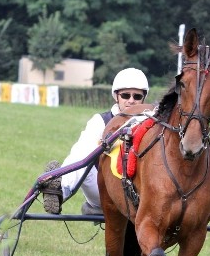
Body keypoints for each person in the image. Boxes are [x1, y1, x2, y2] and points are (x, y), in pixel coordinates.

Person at [42, 67, 150, 215]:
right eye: (125, 95)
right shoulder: (100, 121)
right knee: (83, 157)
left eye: (137, 96)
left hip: (142, 194)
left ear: (144, 98)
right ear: (116, 96)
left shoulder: (151, 122)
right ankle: (60, 190)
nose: (131, 100)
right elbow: (79, 153)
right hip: (105, 191)